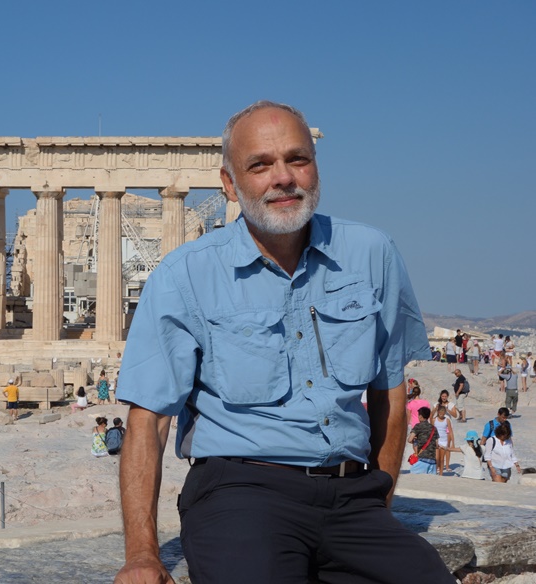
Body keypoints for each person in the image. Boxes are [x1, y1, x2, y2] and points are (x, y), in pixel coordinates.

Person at [114, 101, 453, 583]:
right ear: (229, 183)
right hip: (240, 491)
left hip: (351, 496)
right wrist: (142, 555)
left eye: (298, 159)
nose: (283, 178)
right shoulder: (184, 275)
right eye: (260, 165)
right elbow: (148, 420)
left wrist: (379, 502)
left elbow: (389, 393)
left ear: (316, 167)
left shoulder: (372, 253)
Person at [408, 407, 438, 475]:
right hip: (433, 461)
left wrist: (415, 440)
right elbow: (436, 445)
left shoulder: (418, 426)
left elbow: (409, 440)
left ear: (421, 416)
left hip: (422, 459)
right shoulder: (434, 428)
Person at [432, 406, 454, 476]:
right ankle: (435, 472)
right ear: (438, 412)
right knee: (436, 458)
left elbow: (450, 431)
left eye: (443, 413)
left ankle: (441, 474)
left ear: (445, 413)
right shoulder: (434, 420)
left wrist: (453, 443)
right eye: (440, 413)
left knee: (441, 459)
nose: (441, 414)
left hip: (444, 441)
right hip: (436, 440)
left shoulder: (447, 420)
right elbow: (431, 431)